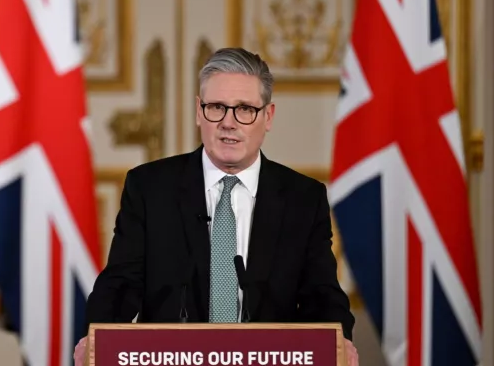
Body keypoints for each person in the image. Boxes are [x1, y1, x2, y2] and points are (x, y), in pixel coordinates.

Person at [73, 47, 358, 366]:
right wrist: (96, 339)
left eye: (245, 109)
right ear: (199, 111)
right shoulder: (150, 188)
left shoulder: (302, 198)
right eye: (217, 108)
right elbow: (120, 285)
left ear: (268, 116)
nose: (228, 123)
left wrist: (339, 342)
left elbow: (321, 294)